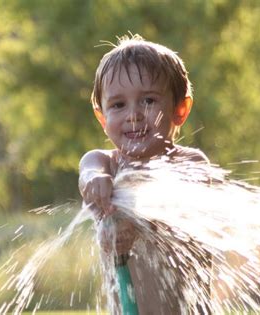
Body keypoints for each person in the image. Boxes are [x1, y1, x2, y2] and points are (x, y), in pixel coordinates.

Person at [78, 34, 210, 314]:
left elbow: (184, 212)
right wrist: (94, 182)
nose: (134, 115)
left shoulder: (190, 164)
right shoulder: (103, 165)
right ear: (102, 118)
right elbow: (88, 174)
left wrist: (137, 225)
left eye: (148, 101)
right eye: (118, 105)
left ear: (179, 110)